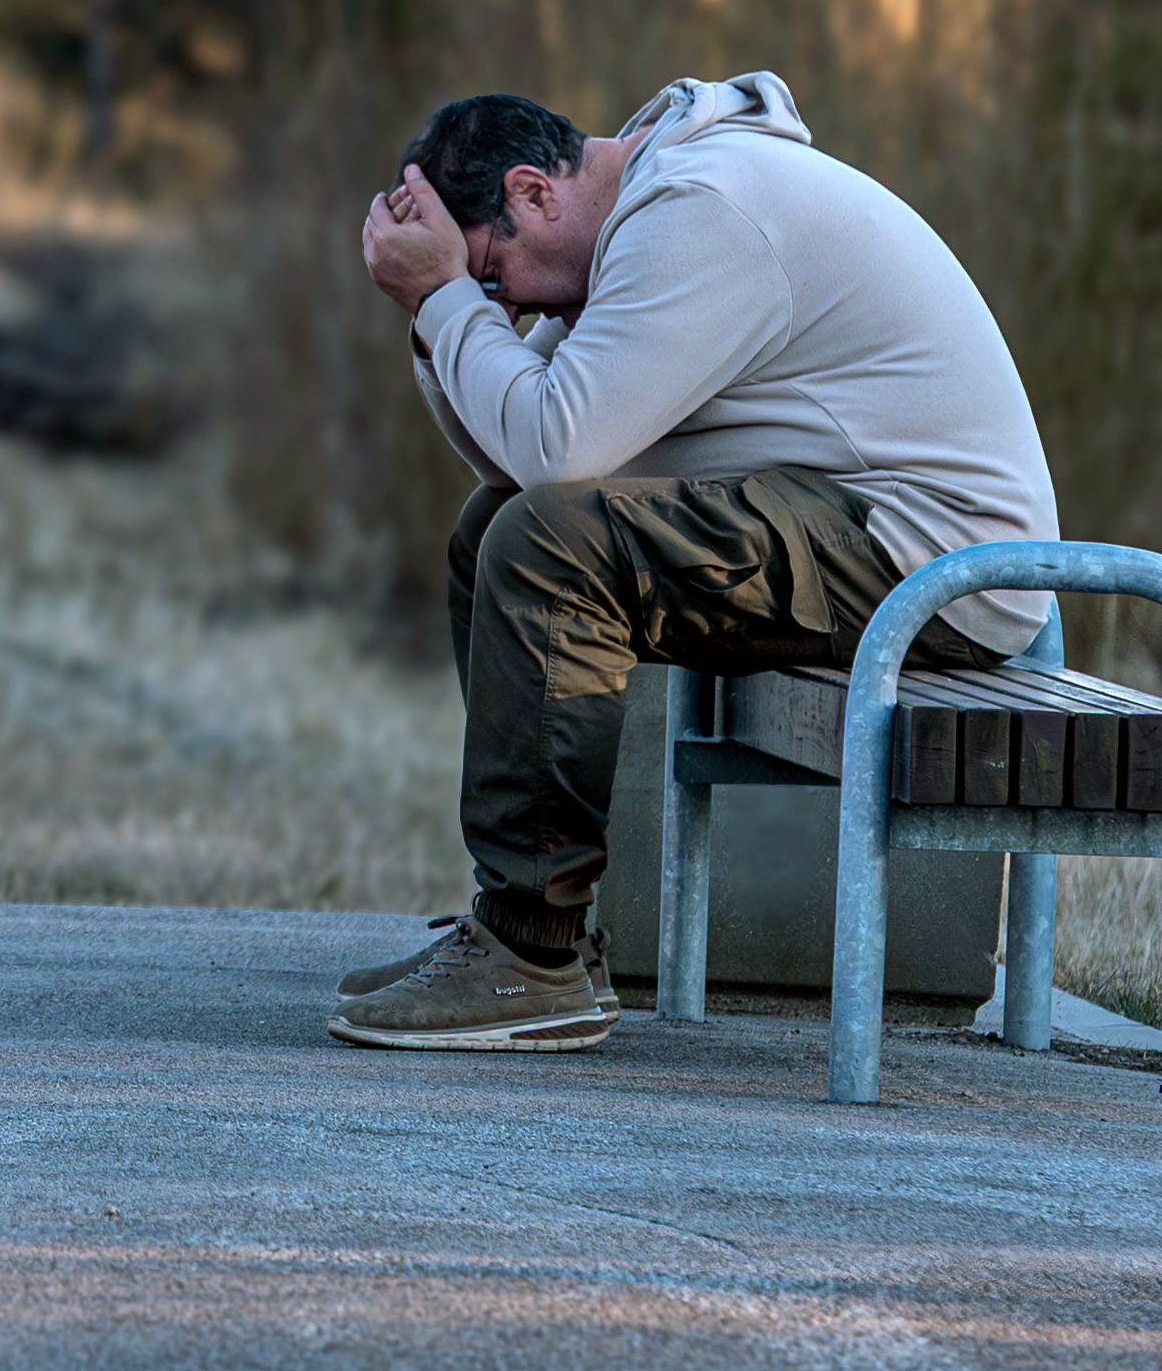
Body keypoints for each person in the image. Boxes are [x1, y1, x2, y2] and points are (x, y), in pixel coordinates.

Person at [326, 74, 1059, 1054]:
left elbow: (554, 448)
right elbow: (519, 460)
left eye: (495, 276)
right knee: (497, 528)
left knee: (546, 545)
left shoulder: (698, 211)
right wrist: (439, 314)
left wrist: (446, 300)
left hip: (939, 563)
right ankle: (538, 934)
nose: (506, 308)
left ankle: (529, 956)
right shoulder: (647, 214)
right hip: (858, 529)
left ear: (534, 192)